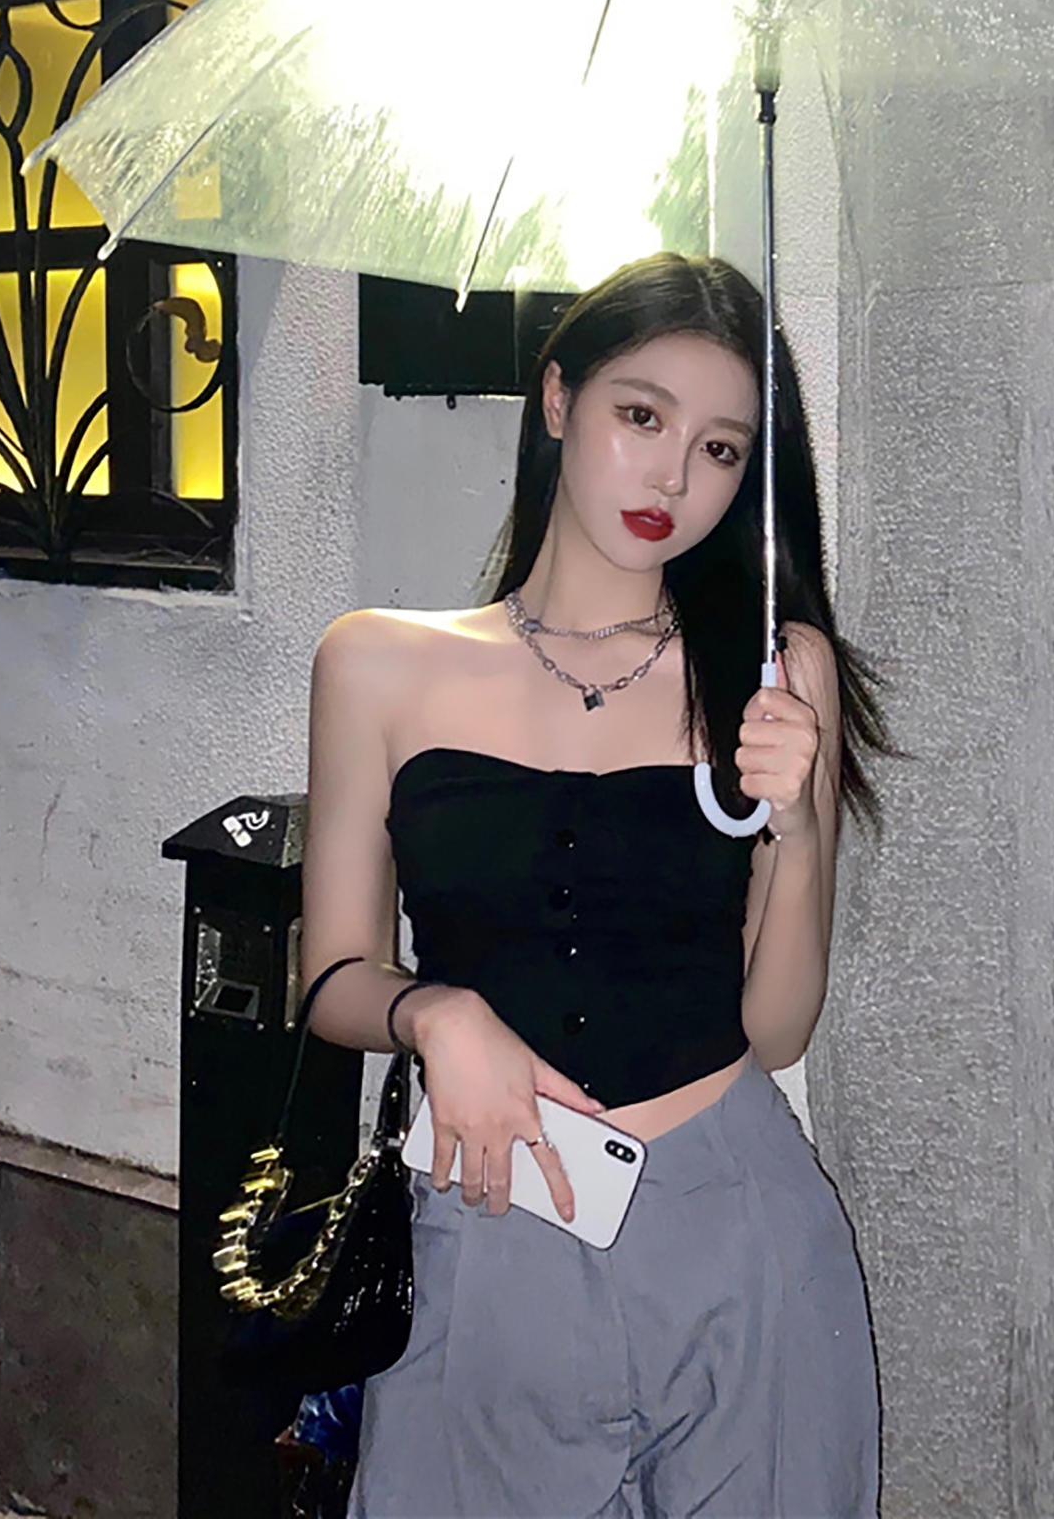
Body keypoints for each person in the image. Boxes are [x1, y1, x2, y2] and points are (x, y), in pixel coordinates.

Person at [300, 252, 892, 1518]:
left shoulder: (777, 671)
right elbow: (332, 977)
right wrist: (434, 1013)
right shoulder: (377, 664)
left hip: (735, 1225)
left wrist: (794, 827)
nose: (674, 478)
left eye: (721, 448)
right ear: (559, 399)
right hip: (488, 1217)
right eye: (642, 416)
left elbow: (778, 1026)